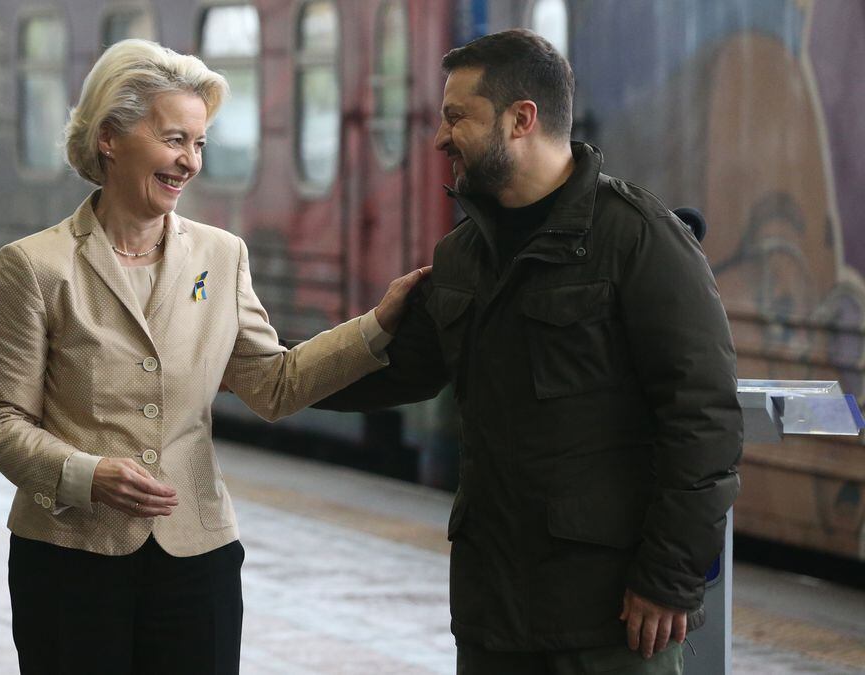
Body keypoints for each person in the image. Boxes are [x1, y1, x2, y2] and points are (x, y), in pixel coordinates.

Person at [0, 39, 425, 674]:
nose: (190, 162)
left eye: (200, 144)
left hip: (197, 558)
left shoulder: (221, 256)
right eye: (174, 139)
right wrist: (87, 473)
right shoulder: (35, 266)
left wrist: (376, 327)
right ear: (110, 137)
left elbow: (272, 384)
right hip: (70, 559)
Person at [317, 29, 742, 674]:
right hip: (494, 617)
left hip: (611, 622)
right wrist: (248, 366)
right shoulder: (462, 255)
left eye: (457, 117)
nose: (438, 139)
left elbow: (702, 419)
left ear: (521, 120)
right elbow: (397, 371)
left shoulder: (638, 240)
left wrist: (669, 577)